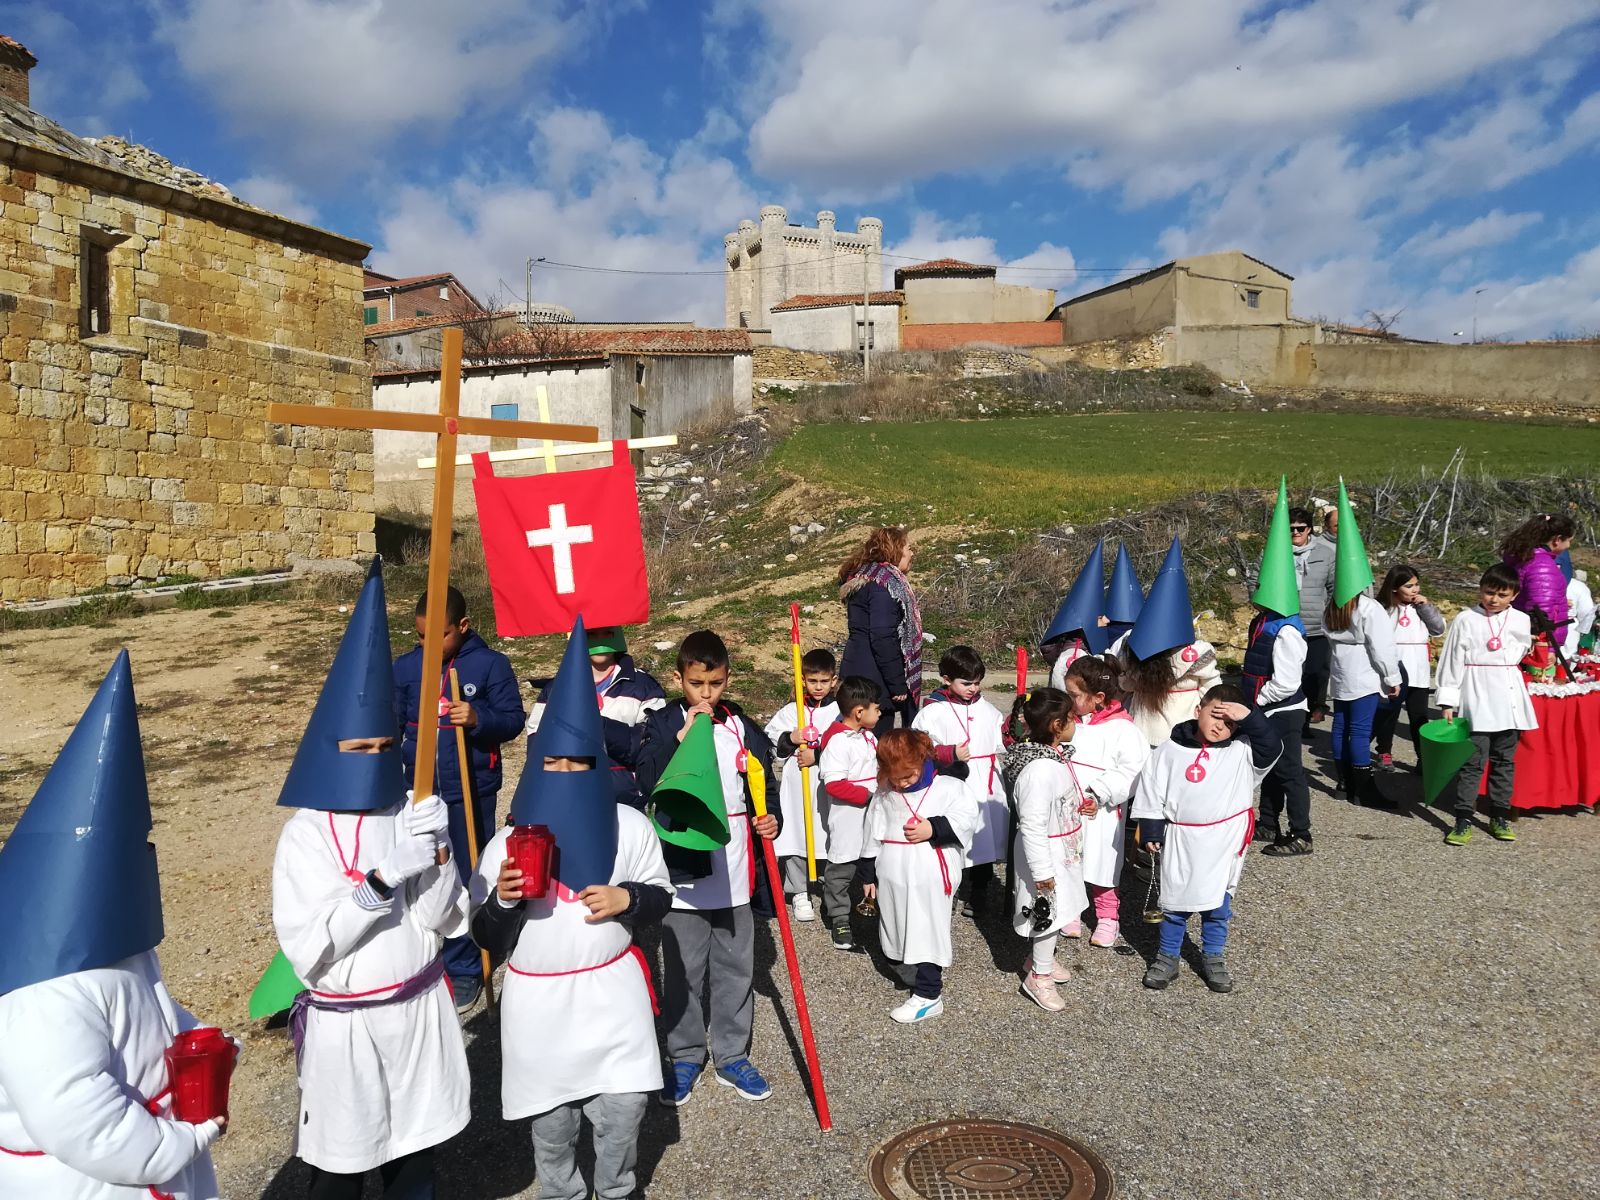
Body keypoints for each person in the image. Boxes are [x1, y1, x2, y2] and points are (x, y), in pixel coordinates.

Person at [0, 652, 231, 1200]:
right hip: (94, 1182)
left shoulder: (116, 943)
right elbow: (72, 1108)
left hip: (149, 1156)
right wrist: (178, 1143)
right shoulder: (43, 995)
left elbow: (148, 1007)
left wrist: (200, 1038)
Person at [274, 562, 470, 1198]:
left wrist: (436, 850)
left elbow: (445, 918)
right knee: (341, 1167)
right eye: (361, 749)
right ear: (333, 747)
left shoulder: (403, 811)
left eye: (385, 746)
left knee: (415, 1163)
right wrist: (382, 879)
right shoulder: (305, 835)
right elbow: (313, 944)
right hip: (349, 1028)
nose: (375, 760)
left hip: (415, 1013)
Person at [470, 619, 672, 1200]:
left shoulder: (630, 826)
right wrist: (506, 898)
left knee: (626, 1109)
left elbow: (660, 894)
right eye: (552, 763)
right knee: (553, 1128)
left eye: (577, 763)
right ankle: (564, 1194)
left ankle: (615, 1190)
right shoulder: (504, 844)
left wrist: (627, 898)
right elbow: (485, 936)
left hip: (612, 995)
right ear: (536, 763)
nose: (564, 773)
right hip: (540, 1002)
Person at [634, 631, 778, 1107]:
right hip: (685, 866)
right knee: (683, 966)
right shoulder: (662, 723)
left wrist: (770, 816)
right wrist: (677, 742)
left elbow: (762, 777)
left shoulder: (740, 724)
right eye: (697, 684)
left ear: (726, 679)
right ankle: (685, 1056)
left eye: (715, 683)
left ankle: (732, 1055)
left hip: (736, 862)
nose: (707, 694)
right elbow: (645, 779)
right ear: (679, 679)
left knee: (737, 963)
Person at [394, 584, 525, 1011]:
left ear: (463, 626)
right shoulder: (406, 669)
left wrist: (479, 717)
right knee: (426, 876)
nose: (429, 646)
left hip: (472, 792)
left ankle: (468, 966)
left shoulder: (489, 665)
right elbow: (392, 726)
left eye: (440, 636)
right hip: (421, 793)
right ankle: (431, 955)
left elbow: (512, 720)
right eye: (420, 638)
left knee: (470, 876)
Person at [1133, 684, 1280, 993]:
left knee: (1218, 905)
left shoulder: (1242, 751)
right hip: (1181, 838)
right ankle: (1168, 957)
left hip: (1224, 840)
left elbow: (1273, 745)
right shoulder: (1169, 751)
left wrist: (1250, 716)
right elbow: (1151, 790)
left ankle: (1213, 957)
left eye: (1230, 722)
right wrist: (1151, 829)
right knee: (1175, 902)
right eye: (1216, 716)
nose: (1220, 726)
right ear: (1197, 711)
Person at [857, 730, 979, 1025]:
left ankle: (929, 994)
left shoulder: (948, 787)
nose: (901, 783)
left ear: (923, 759)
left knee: (926, 928)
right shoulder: (887, 791)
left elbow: (967, 817)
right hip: (893, 871)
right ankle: (908, 967)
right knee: (897, 924)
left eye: (908, 775)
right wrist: (868, 870)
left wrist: (934, 828)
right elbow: (874, 828)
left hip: (930, 872)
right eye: (894, 776)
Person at [1436, 564, 1537, 845]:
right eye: (1489, 592)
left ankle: (1499, 814)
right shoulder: (1466, 619)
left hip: (1508, 695)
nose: (1494, 599)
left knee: (1504, 761)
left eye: (1501, 594)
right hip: (1476, 693)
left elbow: (1520, 653)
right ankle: (1463, 818)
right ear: (1481, 590)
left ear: (1514, 595)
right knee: (1472, 763)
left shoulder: (1520, 619)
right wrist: (1448, 700)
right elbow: (1452, 659)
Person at [1002, 687, 1089, 1013]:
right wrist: (1042, 873)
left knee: (1059, 909)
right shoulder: (1039, 770)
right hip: (1046, 854)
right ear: (1056, 724)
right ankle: (1039, 976)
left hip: (1060, 849)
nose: (1075, 722)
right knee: (1047, 914)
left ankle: (1041, 959)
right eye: (1070, 717)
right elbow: (1033, 825)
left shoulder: (1052, 757)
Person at [912, 645, 1009, 919]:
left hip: (984, 782)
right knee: (951, 835)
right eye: (966, 683)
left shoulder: (987, 709)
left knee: (983, 838)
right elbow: (919, 746)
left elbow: (1002, 738)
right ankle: (949, 887)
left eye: (977, 683)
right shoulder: (933, 711)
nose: (973, 689)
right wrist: (948, 752)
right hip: (951, 780)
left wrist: (1015, 727)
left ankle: (979, 890)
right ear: (946, 678)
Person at [1244, 480, 1314, 857]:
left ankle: (1301, 833)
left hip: (1282, 708)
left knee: (1289, 770)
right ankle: (1268, 821)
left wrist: (1256, 701)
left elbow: (1287, 681)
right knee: (1268, 766)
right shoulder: (1262, 622)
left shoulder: (1286, 630)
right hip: (1265, 707)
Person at [526, 625, 667, 810]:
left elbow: (651, 746)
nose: (600, 640)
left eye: (607, 633)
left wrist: (597, 726)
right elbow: (538, 748)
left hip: (624, 801)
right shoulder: (555, 689)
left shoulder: (644, 686)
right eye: (591, 634)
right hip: (569, 797)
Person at [1324, 481, 1401, 809]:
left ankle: (1344, 781)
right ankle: (1363, 787)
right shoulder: (1369, 609)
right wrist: (1392, 678)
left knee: (1340, 725)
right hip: (1365, 674)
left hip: (1341, 673)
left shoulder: (1333, 608)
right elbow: (1382, 648)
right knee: (1358, 729)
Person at [1063, 656, 1149, 944]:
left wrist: (1099, 793)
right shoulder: (1069, 722)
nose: (1069, 700)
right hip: (1068, 805)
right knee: (1069, 858)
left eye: (1074, 695)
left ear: (1098, 697)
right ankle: (1070, 909)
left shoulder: (1123, 729)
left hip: (1101, 809)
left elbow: (1132, 770)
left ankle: (1108, 918)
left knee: (1102, 864)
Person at [1113, 538, 1220, 747]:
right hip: (1185, 730)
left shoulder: (1133, 646)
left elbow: (1125, 682)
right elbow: (1211, 691)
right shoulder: (1198, 652)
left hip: (1142, 730)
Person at [764, 648, 840, 922]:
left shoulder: (838, 710)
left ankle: (833, 890)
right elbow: (771, 744)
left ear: (833, 680)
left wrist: (818, 752)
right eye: (812, 681)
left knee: (831, 833)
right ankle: (798, 892)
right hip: (797, 786)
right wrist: (792, 737)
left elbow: (851, 741)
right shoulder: (790, 711)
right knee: (796, 832)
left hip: (828, 784)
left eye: (823, 681)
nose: (817, 687)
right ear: (802, 681)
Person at [815, 676, 885, 952]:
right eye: (876, 709)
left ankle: (874, 907)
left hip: (873, 816)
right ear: (859, 712)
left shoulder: (869, 737)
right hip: (848, 819)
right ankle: (839, 917)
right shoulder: (838, 743)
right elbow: (834, 784)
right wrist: (868, 797)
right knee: (841, 871)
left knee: (874, 862)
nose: (880, 713)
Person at [838, 527, 923, 733]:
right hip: (873, 680)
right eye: (908, 548)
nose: (911, 554)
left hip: (857, 671)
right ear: (895, 551)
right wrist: (897, 684)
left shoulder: (867, 577)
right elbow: (882, 636)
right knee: (872, 744)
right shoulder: (884, 585)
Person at [1372, 564, 1444, 770]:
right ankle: (1384, 752)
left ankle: (1423, 757)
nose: (1415, 589)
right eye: (1409, 586)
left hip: (1418, 668)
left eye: (1416, 585)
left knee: (1419, 716)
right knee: (1389, 715)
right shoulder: (1383, 608)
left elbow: (1438, 629)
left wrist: (1426, 607)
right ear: (1395, 587)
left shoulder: (1420, 608)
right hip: (1393, 668)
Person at [1290, 505, 1336, 730]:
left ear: (1310, 529)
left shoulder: (1325, 554)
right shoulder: (1273, 553)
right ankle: (1291, 722)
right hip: (1286, 626)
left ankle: (1305, 719)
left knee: (1313, 675)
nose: (1296, 533)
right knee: (1288, 675)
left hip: (1316, 626)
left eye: (1301, 528)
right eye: (1291, 529)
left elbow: (1334, 586)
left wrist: (1327, 612)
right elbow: (1256, 580)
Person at [1043, 540, 1112, 689]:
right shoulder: (1099, 619)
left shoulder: (1065, 621)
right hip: (1082, 660)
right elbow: (1106, 630)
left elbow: (1047, 648)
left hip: (1063, 659)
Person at [1499, 513, 1575, 646]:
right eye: (1569, 540)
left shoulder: (1526, 558)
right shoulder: (1542, 566)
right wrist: (1547, 646)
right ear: (1557, 539)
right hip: (1538, 643)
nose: (1569, 545)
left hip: (1520, 635)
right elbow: (1541, 611)